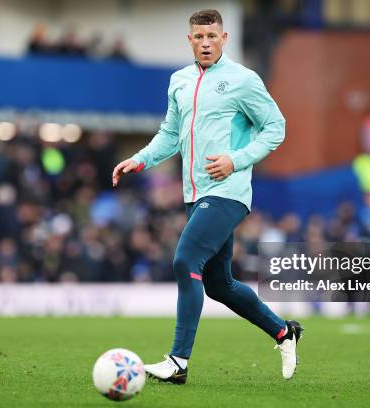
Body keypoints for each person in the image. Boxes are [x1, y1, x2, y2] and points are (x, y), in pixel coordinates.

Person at [112, 9, 301, 383]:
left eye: (212, 36)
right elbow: (170, 134)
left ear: (224, 38)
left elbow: (276, 127)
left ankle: (178, 361)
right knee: (219, 284)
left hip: (229, 192)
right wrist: (139, 159)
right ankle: (284, 332)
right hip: (195, 194)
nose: (205, 43)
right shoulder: (179, 81)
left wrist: (236, 159)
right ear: (190, 40)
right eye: (199, 37)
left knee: (185, 260)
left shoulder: (243, 80)